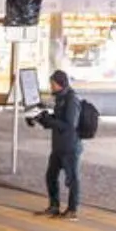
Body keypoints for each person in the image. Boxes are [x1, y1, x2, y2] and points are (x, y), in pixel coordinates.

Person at [32, 70, 83, 221]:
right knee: (51, 176)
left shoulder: (71, 99)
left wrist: (50, 121)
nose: (51, 86)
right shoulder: (60, 98)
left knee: (72, 179)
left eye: (52, 84)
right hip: (58, 146)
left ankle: (72, 210)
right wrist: (43, 119)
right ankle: (54, 206)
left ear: (60, 84)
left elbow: (70, 124)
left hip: (70, 146)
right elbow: (58, 119)